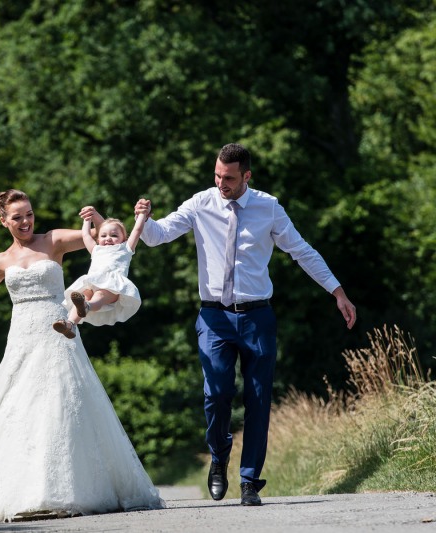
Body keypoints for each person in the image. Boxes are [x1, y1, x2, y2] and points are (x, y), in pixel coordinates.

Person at [0, 189, 163, 523]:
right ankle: (20, 491)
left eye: (29, 214)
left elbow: (103, 235)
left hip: (57, 331)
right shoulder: (1, 261)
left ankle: (64, 489)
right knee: (16, 408)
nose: (25, 221)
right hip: (21, 338)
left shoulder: (53, 241)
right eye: (18, 216)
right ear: (3, 220)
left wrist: (131, 216)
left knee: (61, 404)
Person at [134, 143, 357, 507]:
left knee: (257, 398)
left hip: (257, 317)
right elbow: (157, 237)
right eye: (218, 175)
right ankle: (219, 455)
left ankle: (250, 481)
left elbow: (301, 250)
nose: (222, 183)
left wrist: (337, 291)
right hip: (214, 317)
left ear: (247, 176)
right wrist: (142, 218)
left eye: (230, 178)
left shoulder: (268, 207)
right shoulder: (200, 203)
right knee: (217, 394)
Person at [53, 211, 147, 339]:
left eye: (114, 235)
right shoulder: (96, 249)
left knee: (99, 295)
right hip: (92, 283)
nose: (108, 238)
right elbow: (85, 235)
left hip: (112, 287)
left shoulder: (125, 249)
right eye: (103, 235)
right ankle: (70, 324)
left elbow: (137, 230)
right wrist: (87, 220)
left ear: (124, 239)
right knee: (83, 295)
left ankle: (87, 306)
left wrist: (142, 214)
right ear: (98, 239)